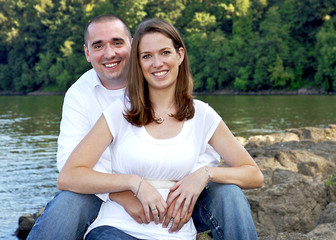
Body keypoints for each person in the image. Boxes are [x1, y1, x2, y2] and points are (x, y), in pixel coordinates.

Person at [27, 14, 262, 240]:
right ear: (87, 52)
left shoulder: (194, 108)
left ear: (131, 46)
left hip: (181, 200)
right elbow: (69, 171)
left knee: (229, 194)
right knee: (68, 203)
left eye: (117, 43)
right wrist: (128, 187)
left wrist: (202, 176)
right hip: (111, 205)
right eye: (98, 45)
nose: (109, 53)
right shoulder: (95, 102)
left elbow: (246, 171)